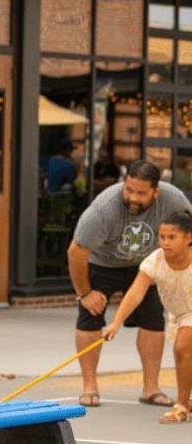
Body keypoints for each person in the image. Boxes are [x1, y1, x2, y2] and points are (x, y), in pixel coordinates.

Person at [67, 159, 190, 407]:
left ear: (156, 191)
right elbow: (76, 252)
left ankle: (151, 389)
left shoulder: (174, 200)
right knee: (90, 315)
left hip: (147, 264)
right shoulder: (103, 209)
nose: (133, 197)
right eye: (129, 189)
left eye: (141, 193)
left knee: (153, 318)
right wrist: (85, 292)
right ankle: (89, 385)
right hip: (103, 263)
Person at [103, 211, 192, 423]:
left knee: (182, 348)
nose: (166, 242)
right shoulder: (155, 261)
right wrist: (115, 322)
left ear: (189, 238)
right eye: (162, 237)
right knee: (184, 352)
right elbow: (135, 293)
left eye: (173, 237)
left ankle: (181, 406)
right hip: (178, 314)